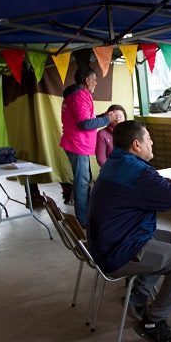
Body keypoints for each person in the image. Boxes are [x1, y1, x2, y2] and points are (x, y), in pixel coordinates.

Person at [87, 120, 171, 342]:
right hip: (118, 252)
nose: (152, 142)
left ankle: (138, 294)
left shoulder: (116, 162)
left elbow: (149, 188)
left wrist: (161, 185)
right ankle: (153, 322)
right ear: (136, 144)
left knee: (167, 238)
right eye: (148, 138)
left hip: (106, 243)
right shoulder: (137, 172)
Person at [59, 67, 124, 226]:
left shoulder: (75, 95)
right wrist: (108, 119)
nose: (96, 83)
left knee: (84, 180)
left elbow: (88, 118)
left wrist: (104, 117)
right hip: (77, 144)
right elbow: (85, 124)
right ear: (87, 81)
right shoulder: (80, 96)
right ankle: (83, 221)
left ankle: (87, 215)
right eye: (94, 79)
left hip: (77, 144)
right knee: (82, 182)